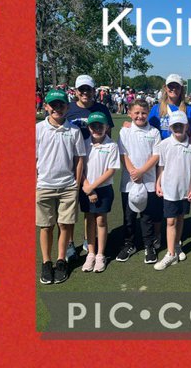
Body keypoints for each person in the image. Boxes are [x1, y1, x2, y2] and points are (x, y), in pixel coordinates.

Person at [36, 88, 86, 286]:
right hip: (44, 185)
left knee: (65, 225)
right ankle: (47, 262)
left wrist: (76, 183)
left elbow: (79, 159)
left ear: (67, 106)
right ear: (46, 106)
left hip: (67, 186)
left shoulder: (73, 130)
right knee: (46, 226)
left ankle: (61, 260)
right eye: (53, 105)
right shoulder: (38, 129)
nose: (57, 108)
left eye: (61, 105)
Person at [117, 97, 163, 266]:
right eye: (136, 113)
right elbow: (123, 154)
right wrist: (132, 171)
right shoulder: (125, 132)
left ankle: (148, 246)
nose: (140, 116)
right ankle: (129, 244)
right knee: (129, 217)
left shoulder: (154, 132)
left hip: (149, 182)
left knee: (147, 218)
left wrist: (142, 171)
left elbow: (156, 155)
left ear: (148, 113)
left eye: (143, 113)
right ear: (130, 113)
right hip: (129, 183)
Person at [153, 110, 191, 269]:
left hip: (185, 190)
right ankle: (171, 254)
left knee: (180, 218)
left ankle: (177, 246)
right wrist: (158, 183)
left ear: (186, 126)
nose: (178, 128)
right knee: (171, 220)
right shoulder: (164, 144)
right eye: (175, 125)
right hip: (169, 189)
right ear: (170, 127)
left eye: (181, 125)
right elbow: (161, 166)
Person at [80, 113, 118, 271]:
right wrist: (87, 188)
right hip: (86, 189)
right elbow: (79, 167)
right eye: (93, 126)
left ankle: (101, 255)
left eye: (100, 126)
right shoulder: (84, 144)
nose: (96, 129)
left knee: (101, 221)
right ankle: (91, 253)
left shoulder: (112, 145)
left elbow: (111, 171)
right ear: (88, 127)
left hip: (103, 190)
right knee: (89, 220)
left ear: (107, 127)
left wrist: (92, 187)